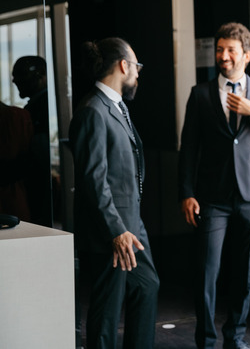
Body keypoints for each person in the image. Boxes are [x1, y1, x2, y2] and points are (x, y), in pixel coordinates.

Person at [179, 22, 250, 349]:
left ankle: (235, 337)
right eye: (220, 50)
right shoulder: (200, 93)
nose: (223, 56)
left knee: (244, 272)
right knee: (206, 271)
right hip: (212, 196)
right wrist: (187, 193)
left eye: (230, 50)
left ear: (246, 55)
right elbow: (189, 147)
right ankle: (205, 341)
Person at [70, 37, 159, 348]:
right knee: (107, 309)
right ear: (124, 66)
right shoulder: (92, 110)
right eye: (137, 66)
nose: (138, 73)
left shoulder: (116, 106)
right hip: (111, 232)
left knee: (147, 286)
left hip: (132, 225)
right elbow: (93, 179)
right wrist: (116, 230)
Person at [12, 55, 52, 226]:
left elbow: (38, 155)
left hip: (37, 192)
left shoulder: (43, 108)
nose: (15, 81)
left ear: (42, 76)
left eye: (22, 76)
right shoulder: (36, 108)